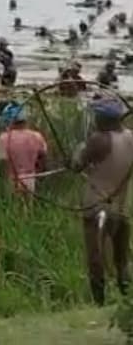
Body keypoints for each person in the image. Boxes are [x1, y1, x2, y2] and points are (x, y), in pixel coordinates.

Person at [71, 100, 133, 304]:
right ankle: (127, 298)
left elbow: (77, 165)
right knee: (121, 259)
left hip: (96, 206)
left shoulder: (99, 139)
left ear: (104, 120)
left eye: (97, 117)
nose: (95, 121)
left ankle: (99, 302)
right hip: (122, 207)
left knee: (95, 257)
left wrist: (78, 150)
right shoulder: (130, 137)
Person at [0, 105, 48, 194]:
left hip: (12, 179)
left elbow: (3, 162)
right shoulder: (37, 136)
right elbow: (43, 156)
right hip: (31, 177)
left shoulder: (4, 138)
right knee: (28, 206)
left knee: (12, 206)